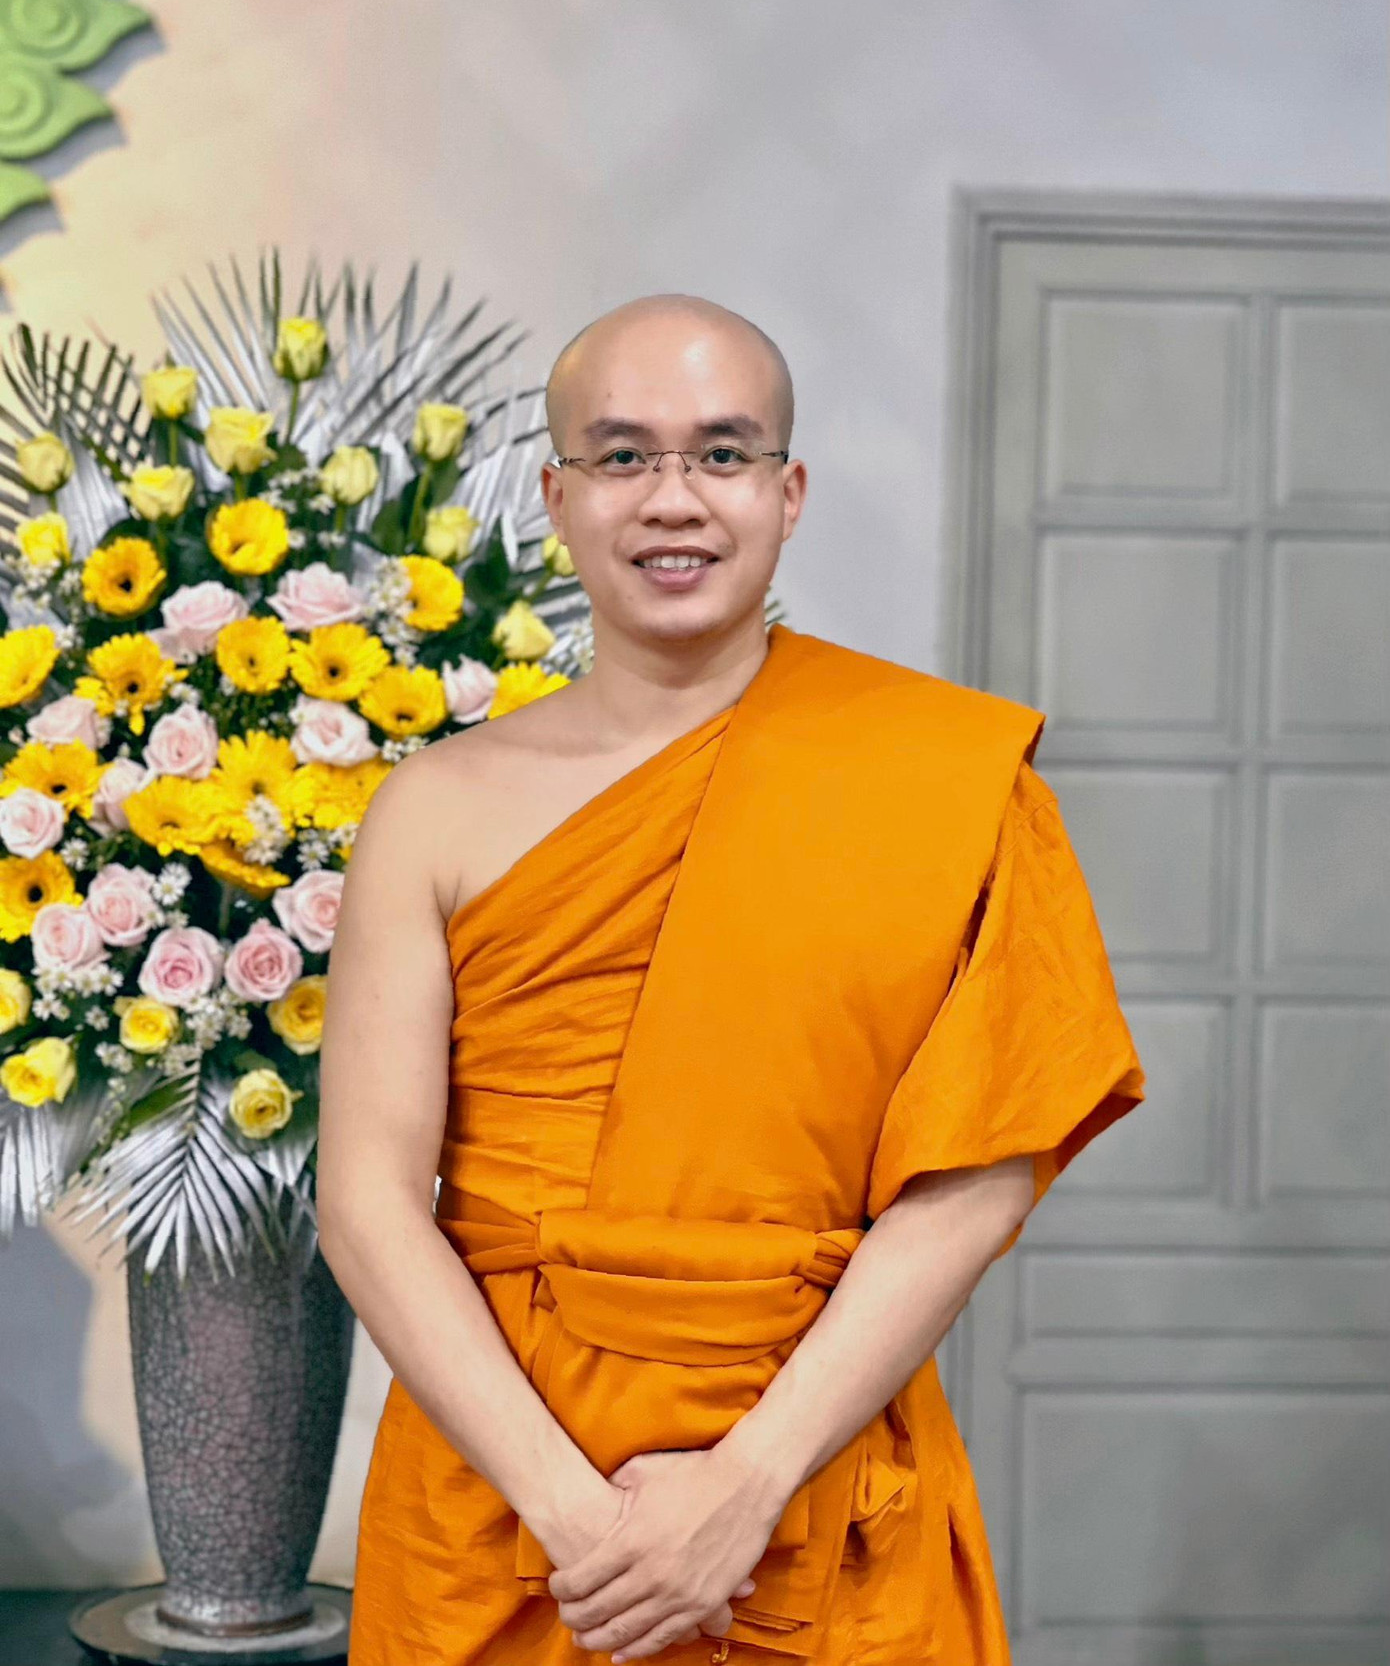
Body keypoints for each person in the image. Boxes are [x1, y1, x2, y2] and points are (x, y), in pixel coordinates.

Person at [319, 293, 1145, 1666]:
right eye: (622, 455)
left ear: (787, 492)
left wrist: (747, 1483)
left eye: (721, 452)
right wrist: (576, 1519)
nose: (674, 498)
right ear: (559, 498)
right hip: (506, 1505)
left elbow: (981, 1171)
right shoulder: (435, 809)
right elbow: (366, 1202)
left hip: (814, 1479)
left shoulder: (939, 780)